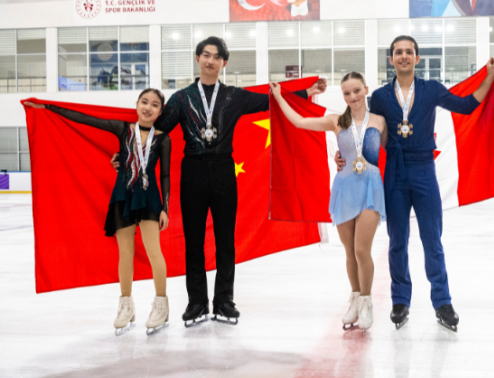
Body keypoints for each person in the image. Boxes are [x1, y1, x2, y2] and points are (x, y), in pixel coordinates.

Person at [113, 37, 327, 328]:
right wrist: (127, 154)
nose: (211, 61)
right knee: (194, 241)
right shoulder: (181, 98)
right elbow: (154, 132)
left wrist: (305, 91)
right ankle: (196, 303)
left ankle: (224, 301)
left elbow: (270, 100)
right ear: (198, 58)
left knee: (226, 240)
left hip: (225, 171)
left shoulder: (234, 96)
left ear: (224, 63)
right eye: (206, 55)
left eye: (217, 57)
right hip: (193, 172)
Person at [336, 35, 494, 332]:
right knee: (397, 241)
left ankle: (443, 301)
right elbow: (364, 131)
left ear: (417, 58)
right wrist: (344, 152)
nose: (403, 56)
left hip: (424, 170)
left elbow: (466, 106)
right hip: (395, 174)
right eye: (398, 52)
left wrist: (488, 78)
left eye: (408, 52)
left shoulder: (432, 89)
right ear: (391, 59)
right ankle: (401, 300)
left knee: (432, 239)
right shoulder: (382, 97)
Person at [25, 89, 172, 337]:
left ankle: (161, 305)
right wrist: (49, 108)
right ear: (136, 105)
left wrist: (165, 207)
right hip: (122, 197)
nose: (148, 108)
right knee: (124, 254)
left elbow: (165, 174)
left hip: (149, 199)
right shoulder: (122, 128)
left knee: (153, 252)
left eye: (155, 105)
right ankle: (126, 304)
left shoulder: (163, 138)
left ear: (160, 111)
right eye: (144, 102)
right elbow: (85, 119)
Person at [270, 72, 386, 333]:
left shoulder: (380, 121)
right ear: (342, 96)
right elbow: (299, 122)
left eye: (356, 91)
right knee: (349, 253)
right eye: (347, 93)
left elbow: (392, 152)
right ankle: (355, 298)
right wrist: (278, 96)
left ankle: (367, 302)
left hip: (371, 189)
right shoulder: (336, 120)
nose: (352, 97)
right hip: (345, 189)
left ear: (365, 90)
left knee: (361, 250)